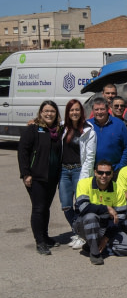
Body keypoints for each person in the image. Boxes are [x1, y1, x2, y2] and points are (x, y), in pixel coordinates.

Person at [18, 101, 63, 255]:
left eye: (52, 111)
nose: (49, 114)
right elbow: (23, 152)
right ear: (40, 112)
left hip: (52, 176)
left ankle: (45, 236)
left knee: (46, 208)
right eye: (46, 111)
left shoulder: (58, 130)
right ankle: (40, 242)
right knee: (38, 208)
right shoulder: (32, 129)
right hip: (36, 176)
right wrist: (26, 174)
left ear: (56, 114)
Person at [73, 160, 127, 265]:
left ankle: (93, 246)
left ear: (112, 174)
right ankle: (95, 254)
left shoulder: (117, 189)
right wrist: (107, 208)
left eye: (107, 173)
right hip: (83, 225)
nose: (104, 175)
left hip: (106, 227)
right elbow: (83, 208)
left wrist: (106, 238)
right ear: (95, 172)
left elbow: (119, 218)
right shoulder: (83, 183)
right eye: (100, 172)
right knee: (91, 217)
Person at [60, 99, 96, 251]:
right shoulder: (62, 127)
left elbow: (90, 156)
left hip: (79, 170)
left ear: (81, 112)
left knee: (80, 205)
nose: (74, 112)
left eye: (77, 110)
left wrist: (83, 176)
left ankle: (81, 235)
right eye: (71, 110)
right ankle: (78, 231)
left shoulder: (88, 130)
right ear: (68, 112)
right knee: (66, 205)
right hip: (63, 171)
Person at [87, 97, 127, 172]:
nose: (99, 112)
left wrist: (121, 166)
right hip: (92, 170)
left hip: (114, 170)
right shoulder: (87, 125)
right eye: (96, 109)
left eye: (102, 109)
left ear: (108, 109)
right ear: (93, 110)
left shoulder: (119, 124)